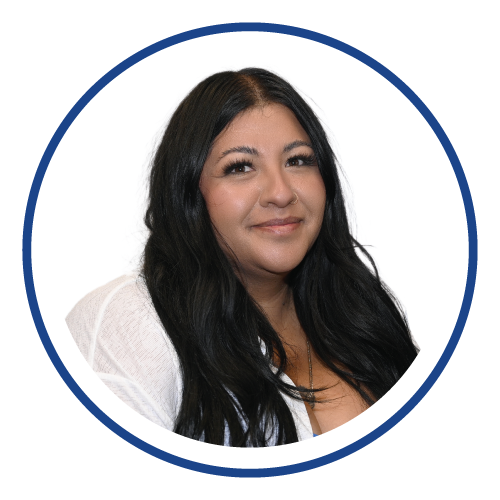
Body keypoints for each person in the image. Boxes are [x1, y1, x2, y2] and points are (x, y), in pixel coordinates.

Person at [66, 68, 419, 447]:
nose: (280, 193)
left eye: (298, 160)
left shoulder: (364, 317)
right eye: (240, 167)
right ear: (189, 193)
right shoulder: (130, 322)